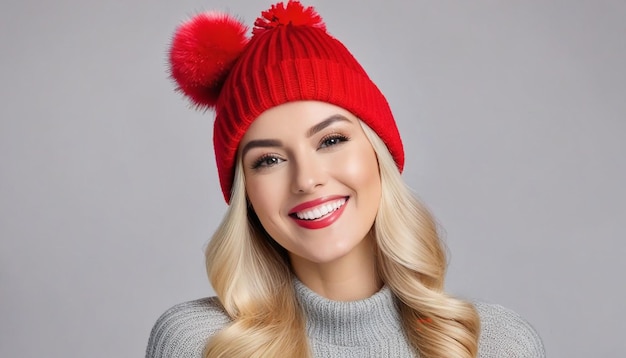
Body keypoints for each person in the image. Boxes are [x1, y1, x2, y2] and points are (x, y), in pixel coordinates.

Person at [146, 1, 545, 357]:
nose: (307, 179)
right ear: (245, 193)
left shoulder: (496, 344)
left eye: (331, 140)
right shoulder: (200, 344)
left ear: (378, 153)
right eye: (268, 160)